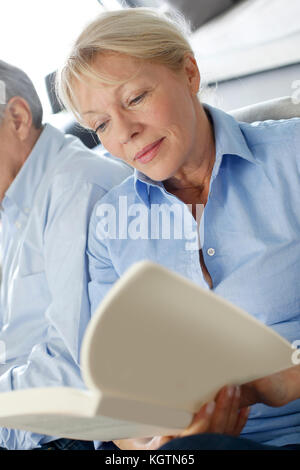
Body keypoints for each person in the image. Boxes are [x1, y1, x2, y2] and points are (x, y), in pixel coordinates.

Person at [57, 8, 300, 450]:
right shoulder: (110, 227)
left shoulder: (293, 158)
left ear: (189, 72)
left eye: (134, 99)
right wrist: (156, 443)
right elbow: (119, 408)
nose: (126, 132)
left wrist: (282, 380)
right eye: (101, 124)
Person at [0, 60, 132, 450]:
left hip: (64, 435)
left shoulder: (80, 190)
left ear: (18, 117)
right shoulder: (12, 201)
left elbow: (79, 375)